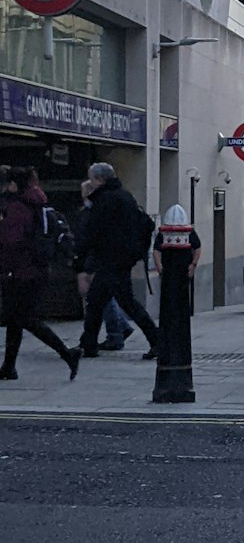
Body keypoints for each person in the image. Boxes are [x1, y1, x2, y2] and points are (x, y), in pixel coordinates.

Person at [0, 166, 81, 380]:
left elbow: (10, 242)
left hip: (20, 271)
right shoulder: (36, 201)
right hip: (36, 270)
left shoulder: (17, 207)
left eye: (7, 183)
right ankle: (8, 367)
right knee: (15, 320)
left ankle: (68, 354)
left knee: (25, 318)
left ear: (14, 185)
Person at [76, 162, 159, 359]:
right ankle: (88, 345)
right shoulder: (124, 196)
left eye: (93, 179)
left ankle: (157, 341)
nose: (91, 183)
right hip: (119, 259)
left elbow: (93, 231)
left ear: (100, 179)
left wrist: (81, 256)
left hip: (111, 260)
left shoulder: (106, 200)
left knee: (126, 303)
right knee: (96, 302)